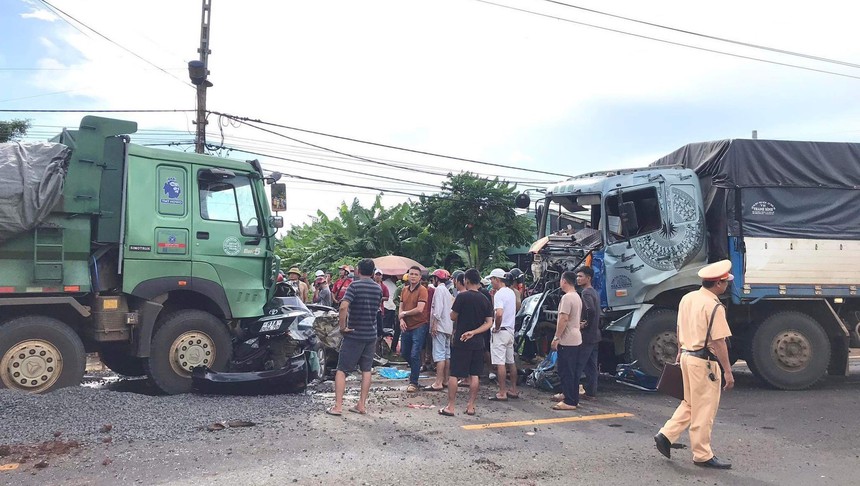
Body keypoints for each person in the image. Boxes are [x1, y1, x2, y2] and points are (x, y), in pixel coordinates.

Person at [655, 260, 735, 469]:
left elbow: (680, 326)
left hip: (688, 357)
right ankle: (702, 454)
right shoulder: (715, 306)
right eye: (725, 282)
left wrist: (680, 352)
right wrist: (728, 371)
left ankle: (666, 434)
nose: (726, 285)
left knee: (690, 403)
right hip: (704, 362)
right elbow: (719, 342)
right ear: (718, 283)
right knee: (705, 409)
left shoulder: (688, 298)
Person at [326, 258, 383, 416]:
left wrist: (343, 327)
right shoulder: (377, 288)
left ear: (358, 270)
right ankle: (361, 405)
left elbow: (344, 306)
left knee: (342, 370)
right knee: (366, 370)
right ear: (372, 272)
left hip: (354, 334)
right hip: (371, 335)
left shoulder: (354, 285)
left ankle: (337, 406)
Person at [439, 268, 494, 417]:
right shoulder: (485, 298)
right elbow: (489, 322)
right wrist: (475, 332)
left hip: (461, 340)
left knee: (455, 374)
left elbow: (452, 316)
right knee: (475, 374)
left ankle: (451, 406)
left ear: (466, 281)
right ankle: (471, 406)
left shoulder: (462, 297)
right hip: (478, 341)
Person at [551, 271, 583, 411]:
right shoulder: (577, 296)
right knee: (574, 372)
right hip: (576, 337)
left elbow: (563, 319)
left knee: (566, 371)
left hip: (567, 339)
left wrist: (556, 337)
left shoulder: (567, 298)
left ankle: (569, 401)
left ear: (564, 281)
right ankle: (573, 398)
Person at [487, 269, 519, 401]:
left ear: (497, 279)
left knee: (500, 362)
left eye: (492, 279)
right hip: (510, 330)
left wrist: (497, 327)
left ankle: (502, 392)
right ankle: (513, 389)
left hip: (501, 331)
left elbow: (499, 313)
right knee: (510, 361)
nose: (491, 282)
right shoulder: (511, 292)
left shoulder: (500, 294)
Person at [398, 266, 429, 393]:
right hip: (406, 325)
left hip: (419, 325)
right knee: (404, 353)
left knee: (415, 353)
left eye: (416, 274)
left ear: (420, 277)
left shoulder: (423, 290)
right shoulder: (404, 290)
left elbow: (420, 309)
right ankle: (415, 369)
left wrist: (404, 314)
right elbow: (400, 307)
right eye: (411, 274)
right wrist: (401, 319)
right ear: (408, 276)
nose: (413, 276)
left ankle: (414, 382)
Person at [425, 269, 453, 391]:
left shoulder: (439, 291)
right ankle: (446, 380)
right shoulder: (447, 291)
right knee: (446, 355)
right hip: (448, 327)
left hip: (440, 326)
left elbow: (438, 310)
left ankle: (438, 382)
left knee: (439, 355)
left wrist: (434, 325)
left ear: (436, 279)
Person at [576, 266, 601, 399]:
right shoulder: (595, 292)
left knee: (579, 364)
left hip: (587, 335)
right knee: (591, 366)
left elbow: (590, 310)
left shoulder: (586, 293)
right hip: (595, 335)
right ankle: (591, 392)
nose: (578, 279)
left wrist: (585, 324)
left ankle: (572, 393)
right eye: (577, 276)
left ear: (588, 278)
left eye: (581, 276)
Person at [373, 269, 390, 338]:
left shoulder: (384, 287)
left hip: (380, 309)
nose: (378, 276)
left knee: (379, 328)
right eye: (376, 274)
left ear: (382, 276)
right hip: (371, 309)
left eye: (379, 275)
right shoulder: (371, 285)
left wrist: (379, 298)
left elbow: (387, 297)